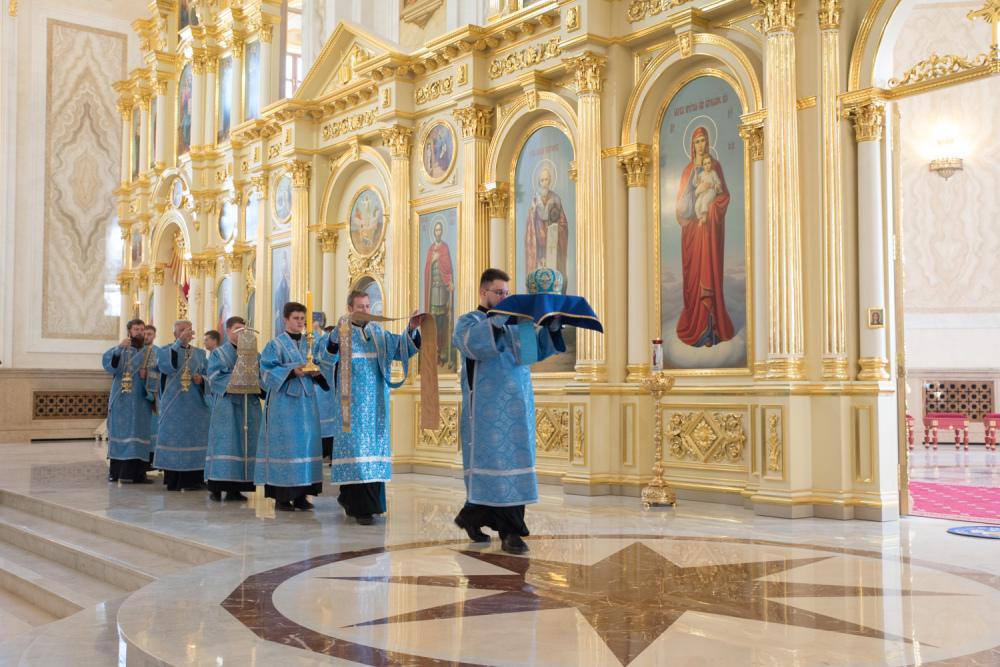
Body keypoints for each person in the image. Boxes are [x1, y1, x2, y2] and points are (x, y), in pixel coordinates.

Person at [452, 268, 565, 554]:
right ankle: (511, 532)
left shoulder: (518, 325)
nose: (504, 297)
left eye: (507, 293)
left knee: (515, 470)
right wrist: (500, 319)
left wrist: (551, 327)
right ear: (484, 292)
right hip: (486, 415)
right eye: (499, 292)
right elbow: (475, 345)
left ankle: (473, 519)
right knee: (493, 470)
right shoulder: (469, 321)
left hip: (518, 411)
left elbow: (534, 354)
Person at [315, 291, 422, 525]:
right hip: (350, 408)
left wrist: (411, 329)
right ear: (349, 309)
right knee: (355, 455)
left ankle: (370, 504)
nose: (365, 310)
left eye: (367, 306)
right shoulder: (340, 332)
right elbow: (323, 359)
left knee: (373, 455)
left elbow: (401, 348)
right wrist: (334, 338)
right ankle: (358, 507)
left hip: (376, 408)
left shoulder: (378, 333)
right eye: (360, 307)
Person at [256, 302, 327, 512]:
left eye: (302, 319)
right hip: (284, 404)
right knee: (286, 447)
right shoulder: (275, 344)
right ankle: (282, 497)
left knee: (306, 445)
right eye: (296, 318)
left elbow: (322, 365)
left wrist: (317, 372)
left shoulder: (311, 343)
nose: (300, 322)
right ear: (285, 319)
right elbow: (266, 370)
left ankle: (302, 495)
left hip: (307, 402)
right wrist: (291, 371)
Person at [674, 125, 734, 348]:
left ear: (708, 143)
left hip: (709, 231)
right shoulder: (687, 171)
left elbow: (724, 196)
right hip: (692, 231)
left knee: (709, 275)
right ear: (692, 145)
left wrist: (711, 208)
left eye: (703, 140)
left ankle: (712, 330)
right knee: (694, 277)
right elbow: (680, 207)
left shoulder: (715, 167)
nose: (700, 145)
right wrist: (696, 193)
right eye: (697, 141)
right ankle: (696, 327)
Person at [205, 316, 260, 502]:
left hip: (248, 404)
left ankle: (236, 489)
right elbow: (214, 377)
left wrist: (254, 381)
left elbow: (262, 375)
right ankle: (216, 487)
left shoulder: (254, 353)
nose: (241, 332)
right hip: (227, 406)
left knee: (244, 445)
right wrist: (240, 378)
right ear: (228, 330)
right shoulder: (218, 354)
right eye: (237, 328)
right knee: (225, 444)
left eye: (243, 329)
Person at [155, 320, 210, 491]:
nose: (186, 333)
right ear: (175, 334)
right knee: (175, 440)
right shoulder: (165, 351)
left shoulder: (200, 353)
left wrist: (202, 380)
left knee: (196, 439)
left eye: (188, 330)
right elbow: (165, 367)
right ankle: (175, 480)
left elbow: (210, 375)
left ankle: (195, 480)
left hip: (196, 406)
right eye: (181, 330)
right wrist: (179, 343)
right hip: (174, 405)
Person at [101, 319, 154, 483]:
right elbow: (110, 367)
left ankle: (139, 474)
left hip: (141, 400)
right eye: (136, 329)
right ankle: (115, 472)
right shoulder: (120, 349)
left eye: (142, 329)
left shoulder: (150, 353)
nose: (139, 332)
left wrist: (148, 375)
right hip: (122, 399)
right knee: (120, 433)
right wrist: (118, 350)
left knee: (140, 435)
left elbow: (159, 374)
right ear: (129, 331)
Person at [524, 166, 569, 288]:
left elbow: (563, 222)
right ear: (539, 182)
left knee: (552, 272)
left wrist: (556, 229)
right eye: (542, 180)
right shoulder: (535, 199)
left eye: (547, 180)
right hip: (538, 242)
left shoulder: (556, 199)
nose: (544, 183)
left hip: (552, 241)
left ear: (550, 181)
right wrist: (533, 212)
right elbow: (530, 224)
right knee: (540, 272)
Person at [423, 220, 455, 369]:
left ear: (442, 232)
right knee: (433, 323)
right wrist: (432, 261)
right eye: (436, 230)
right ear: (433, 232)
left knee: (442, 323)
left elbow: (447, 269)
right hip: (433, 293)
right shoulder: (431, 250)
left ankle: (442, 351)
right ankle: (434, 351)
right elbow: (427, 270)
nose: (438, 232)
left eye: (439, 230)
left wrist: (449, 282)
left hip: (442, 292)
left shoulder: (445, 248)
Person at [141, 324, 161, 457]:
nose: (146, 336)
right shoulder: (136, 351)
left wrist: (147, 373)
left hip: (153, 393)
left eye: (150, 334)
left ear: (154, 336)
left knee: (153, 425)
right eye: (145, 334)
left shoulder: (159, 352)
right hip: (137, 392)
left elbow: (162, 371)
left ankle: (152, 455)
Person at [694, 154, 722, 226]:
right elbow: (697, 183)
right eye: (705, 164)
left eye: (708, 163)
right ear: (703, 165)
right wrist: (696, 173)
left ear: (711, 163)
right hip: (703, 192)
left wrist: (713, 185)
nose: (707, 166)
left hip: (711, 191)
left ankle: (704, 217)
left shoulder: (713, 173)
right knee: (697, 204)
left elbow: (718, 183)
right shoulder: (701, 174)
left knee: (705, 200)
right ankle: (700, 218)